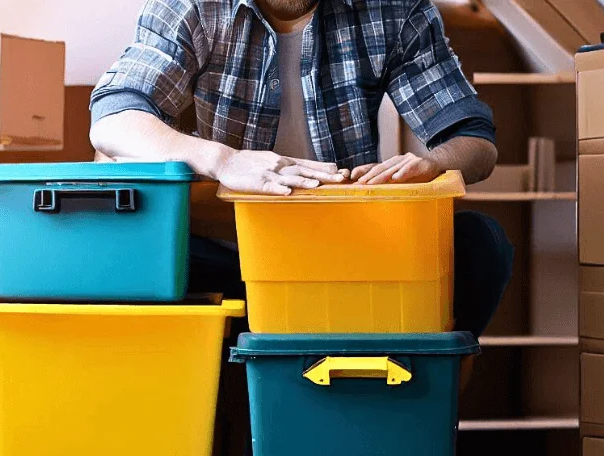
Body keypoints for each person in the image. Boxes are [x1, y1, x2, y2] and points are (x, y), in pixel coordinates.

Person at [89, 0, 514, 454]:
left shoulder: (395, 8)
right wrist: (224, 160)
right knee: (118, 253)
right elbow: (113, 117)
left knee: (481, 242)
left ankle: (418, 407)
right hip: (231, 254)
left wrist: (431, 163)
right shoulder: (192, 6)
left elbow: (476, 142)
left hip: (344, 260)